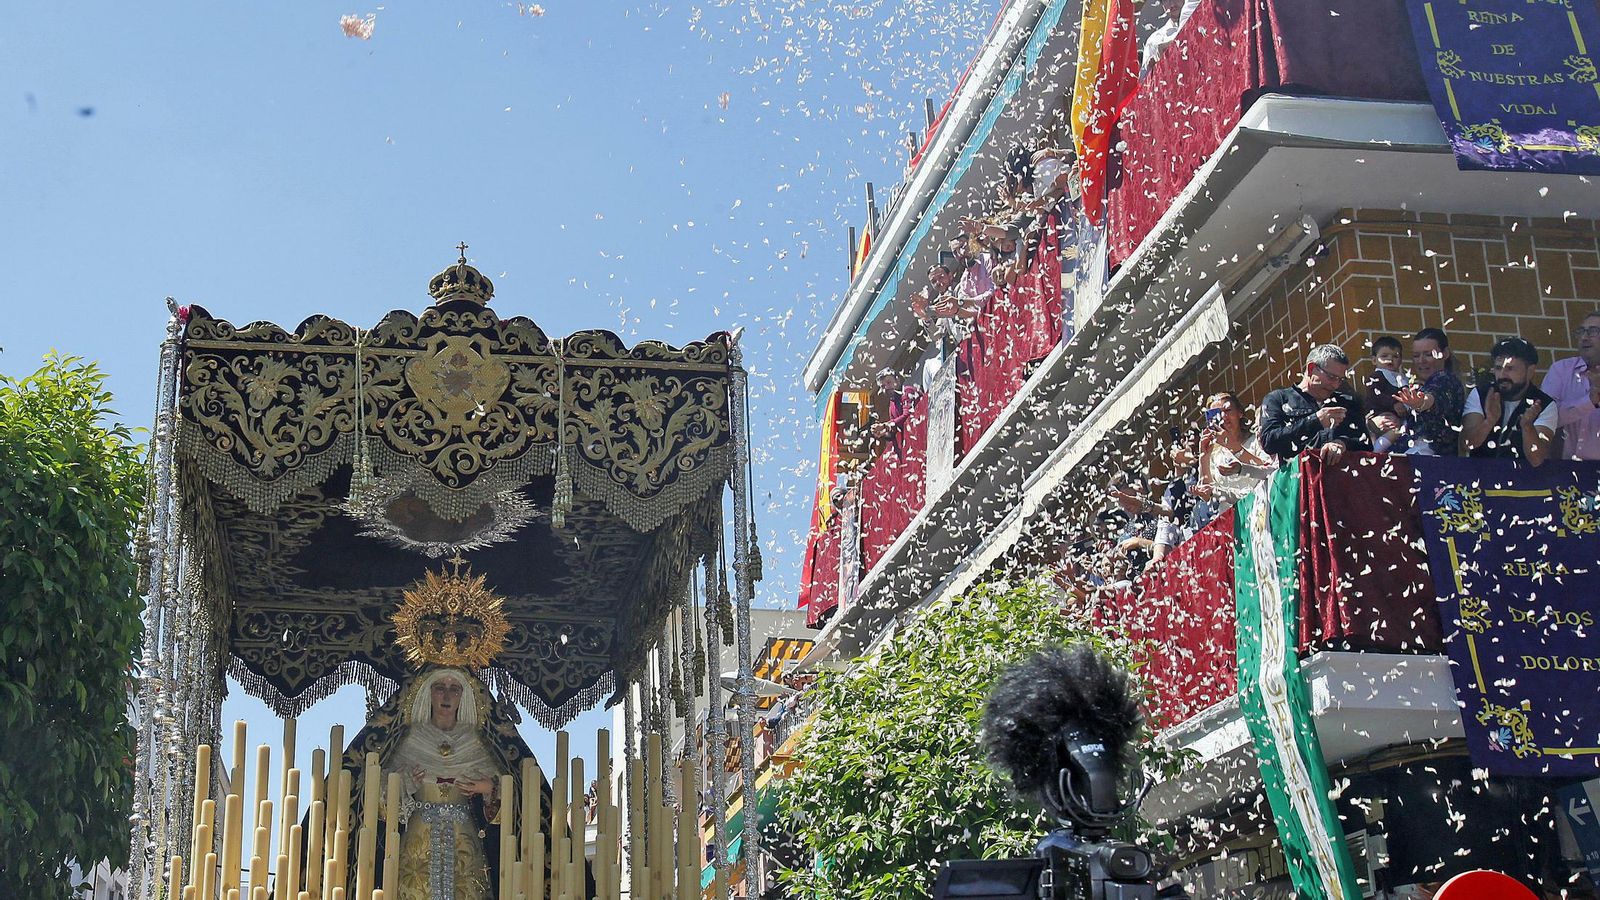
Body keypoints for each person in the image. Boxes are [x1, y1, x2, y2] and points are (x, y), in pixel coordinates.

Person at [379, 668, 513, 900]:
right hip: (418, 836)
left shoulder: (475, 742)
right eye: (440, 688)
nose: (447, 696)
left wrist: (489, 788)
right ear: (428, 693)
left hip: (464, 836)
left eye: (454, 689)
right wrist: (403, 784)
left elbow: (507, 787)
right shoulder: (411, 741)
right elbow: (382, 793)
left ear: (464, 696)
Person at [1258, 344, 1370, 465]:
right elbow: (1269, 442)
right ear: (1311, 368)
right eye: (1331, 377)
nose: (1335, 385)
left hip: (1342, 479)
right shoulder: (1278, 399)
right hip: (1298, 479)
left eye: (1340, 379)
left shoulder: (1348, 403)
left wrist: (1342, 443)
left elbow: (1366, 443)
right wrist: (1315, 421)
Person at [1461, 336, 1558, 465]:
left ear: (1530, 371)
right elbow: (1467, 444)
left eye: (1510, 369)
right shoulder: (1481, 394)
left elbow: (1536, 459)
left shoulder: (1545, 405)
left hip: (1523, 480)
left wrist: (1528, 427)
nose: (1502, 375)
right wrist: (1489, 421)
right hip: (1479, 478)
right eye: (1498, 368)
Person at [1394, 327, 1466, 457]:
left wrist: (1420, 403)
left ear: (1445, 353)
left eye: (1428, 354)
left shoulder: (1446, 379)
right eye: (1416, 356)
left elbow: (1433, 398)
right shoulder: (1422, 385)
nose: (1421, 360)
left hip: (1432, 465)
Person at [1540, 310, 1600, 461]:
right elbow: (1545, 419)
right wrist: (1590, 401)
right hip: (1565, 470)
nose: (1584, 337)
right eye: (1581, 332)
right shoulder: (1561, 370)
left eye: (1593, 331)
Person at [1195, 392, 1273, 508]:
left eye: (1227, 411)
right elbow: (1206, 494)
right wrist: (1204, 456)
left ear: (1240, 413)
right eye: (1216, 414)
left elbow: (1268, 469)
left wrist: (1235, 448)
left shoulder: (1257, 440)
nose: (1223, 417)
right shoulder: (1214, 454)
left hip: (1262, 508)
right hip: (1231, 520)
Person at [1363, 335, 1407, 452]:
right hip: (1379, 414)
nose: (1390, 359)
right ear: (1374, 360)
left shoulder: (1402, 379)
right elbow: (1375, 395)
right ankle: (1375, 452)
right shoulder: (1376, 376)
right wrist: (1393, 403)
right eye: (1384, 356)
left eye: (1395, 356)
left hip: (1398, 418)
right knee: (1396, 432)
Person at [1141, 0, 1202, 74]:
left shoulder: (1201, 20)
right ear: (1162, 5)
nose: (1172, 4)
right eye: (1166, 0)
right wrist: (1155, 65)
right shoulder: (1154, 40)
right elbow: (1144, 80)